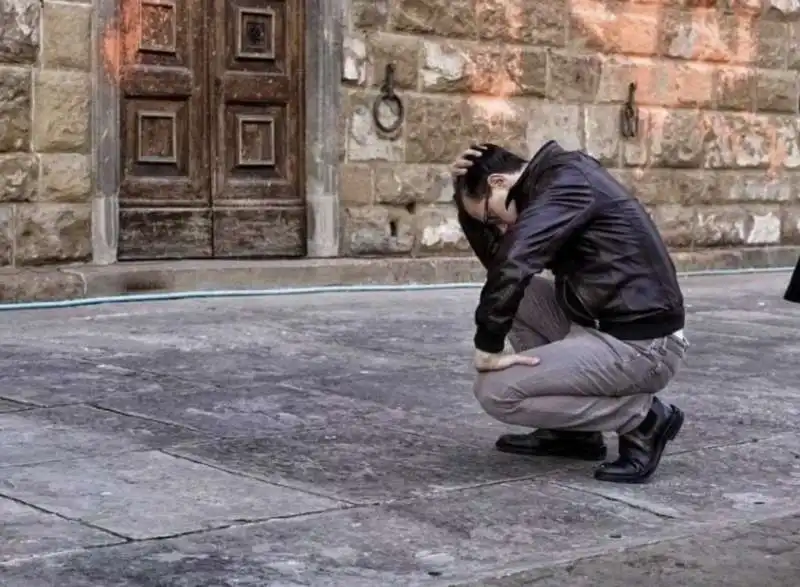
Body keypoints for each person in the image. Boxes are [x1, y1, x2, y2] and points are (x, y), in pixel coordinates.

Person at [451, 141, 689, 484]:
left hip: (643, 346)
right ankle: (572, 433)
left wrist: (488, 347)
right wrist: (460, 194)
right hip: (601, 324)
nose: (498, 227)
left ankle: (643, 419)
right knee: (522, 294)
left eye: (491, 217)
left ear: (499, 182)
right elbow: (501, 266)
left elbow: (514, 262)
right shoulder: (550, 183)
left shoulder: (567, 182)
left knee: (495, 392)